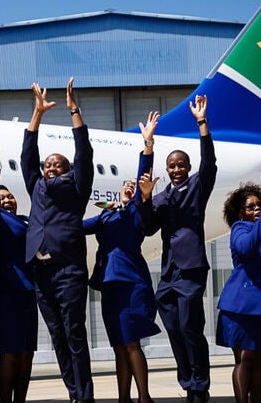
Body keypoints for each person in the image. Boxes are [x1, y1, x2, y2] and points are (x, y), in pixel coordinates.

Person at [137, 95, 216, 403]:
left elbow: (209, 164)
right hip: (169, 273)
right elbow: (147, 227)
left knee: (190, 327)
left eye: (181, 164)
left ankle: (200, 385)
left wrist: (201, 123)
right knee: (173, 328)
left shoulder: (198, 186)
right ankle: (188, 383)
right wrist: (144, 196)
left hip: (192, 268)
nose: (177, 169)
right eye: (172, 166)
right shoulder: (161, 197)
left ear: (187, 167)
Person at [22, 77, 95, 403]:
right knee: (58, 337)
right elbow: (28, 154)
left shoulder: (77, 186)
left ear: (67, 170)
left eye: (58, 164)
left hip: (68, 271)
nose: (51, 166)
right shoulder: (36, 186)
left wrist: (73, 111)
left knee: (74, 334)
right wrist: (37, 113)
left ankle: (85, 397)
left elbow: (84, 153)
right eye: (48, 164)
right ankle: (73, 395)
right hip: (42, 273)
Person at [83, 112, 162, 403]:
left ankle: (144, 397)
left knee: (131, 344)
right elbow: (76, 227)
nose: (129, 187)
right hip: (109, 285)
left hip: (132, 284)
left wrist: (148, 144)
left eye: (133, 187)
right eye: (125, 186)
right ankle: (124, 398)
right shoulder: (106, 215)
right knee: (119, 345)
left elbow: (143, 180)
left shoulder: (136, 211)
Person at [0, 128, 37, 403]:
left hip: (26, 295)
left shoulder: (25, 220)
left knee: (27, 352)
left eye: (10, 197)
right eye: (3, 198)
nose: (8, 200)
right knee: (10, 353)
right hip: (4, 295)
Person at [216, 183, 261, 403]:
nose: (257, 209)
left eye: (259, 205)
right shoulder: (240, 229)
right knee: (245, 359)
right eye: (250, 207)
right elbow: (246, 248)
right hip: (241, 305)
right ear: (240, 212)